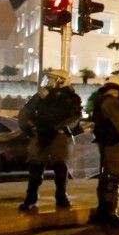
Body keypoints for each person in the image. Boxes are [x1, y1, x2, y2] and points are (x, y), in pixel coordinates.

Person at [17, 68, 82, 213]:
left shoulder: (72, 98)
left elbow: (75, 117)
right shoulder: (41, 96)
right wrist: (27, 127)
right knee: (35, 167)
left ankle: (61, 197)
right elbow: (26, 111)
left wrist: (62, 128)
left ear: (61, 80)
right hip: (41, 133)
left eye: (53, 78)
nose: (49, 81)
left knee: (60, 167)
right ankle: (31, 199)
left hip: (58, 135)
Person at [89, 75, 119, 227]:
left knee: (105, 177)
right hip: (113, 144)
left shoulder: (101, 102)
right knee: (115, 177)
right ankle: (111, 214)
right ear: (118, 90)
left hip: (104, 143)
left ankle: (102, 212)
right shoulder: (113, 103)